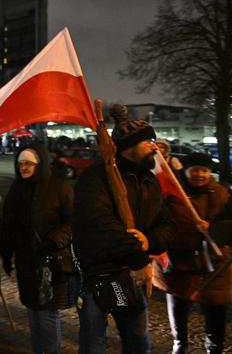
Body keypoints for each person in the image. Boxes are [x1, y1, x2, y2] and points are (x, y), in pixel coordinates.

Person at [73, 103, 176, 354]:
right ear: (130, 147)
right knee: (94, 342)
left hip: (132, 276)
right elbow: (102, 227)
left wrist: (147, 241)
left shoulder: (148, 180)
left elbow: (168, 225)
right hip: (99, 274)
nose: (155, 145)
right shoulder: (95, 177)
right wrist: (139, 257)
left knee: (138, 341)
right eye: (148, 141)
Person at [1, 144, 78, 354]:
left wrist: (56, 239)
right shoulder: (16, 190)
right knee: (33, 310)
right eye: (21, 164)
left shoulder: (59, 188)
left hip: (51, 262)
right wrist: (6, 255)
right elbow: (8, 226)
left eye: (29, 164)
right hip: (26, 261)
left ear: (39, 164)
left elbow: (74, 222)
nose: (24, 168)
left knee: (46, 312)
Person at [153, 152, 231, 354]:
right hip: (181, 262)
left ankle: (215, 348)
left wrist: (212, 228)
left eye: (204, 170)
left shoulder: (222, 193)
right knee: (179, 307)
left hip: (214, 265)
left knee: (216, 310)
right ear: (186, 171)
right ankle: (179, 344)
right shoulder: (173, 194)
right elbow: (163, 225)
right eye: (195, 170)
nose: (200, 174)